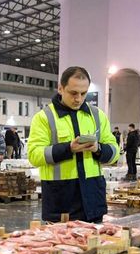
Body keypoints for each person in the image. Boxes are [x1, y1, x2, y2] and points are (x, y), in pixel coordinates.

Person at [27, 66, 119, 223]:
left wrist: (99, 149)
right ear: (61, 88)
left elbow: (115, 151)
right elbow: (34, 155)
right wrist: (68, 148)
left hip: (93, 200)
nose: (79, 99)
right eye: (73, 93)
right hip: (61, 202)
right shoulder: (44, 118)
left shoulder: (97, 115)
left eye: (84, 93)